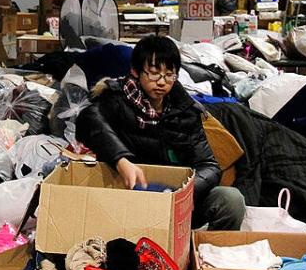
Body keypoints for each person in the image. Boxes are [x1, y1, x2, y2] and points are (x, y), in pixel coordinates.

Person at [76, 34, 245, 230]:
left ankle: (209, 256)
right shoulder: (116, 99)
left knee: (230, 200)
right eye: (154, 73)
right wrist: (121, 160)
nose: (162, 82)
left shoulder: (185, 111)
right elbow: (88, 120)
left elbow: (208, 165)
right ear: (136, 71)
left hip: (174, 199)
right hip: (126, 197)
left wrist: (181, 193)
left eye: (169, 75)